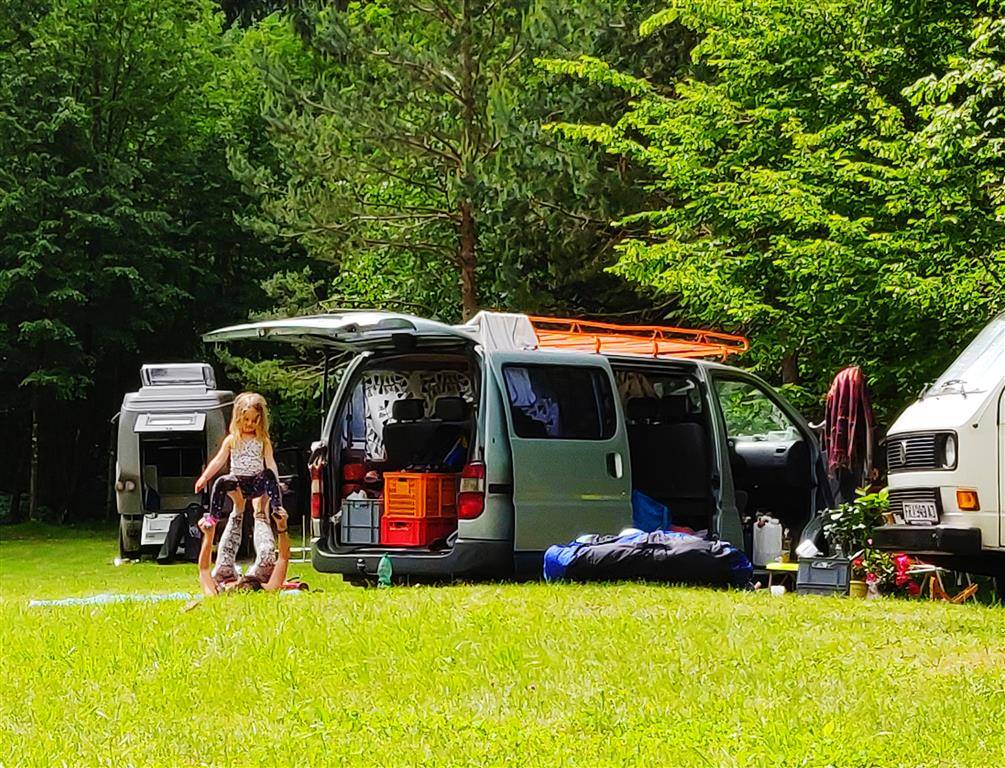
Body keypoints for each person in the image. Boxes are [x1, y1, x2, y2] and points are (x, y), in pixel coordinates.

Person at [194, 392, 286, 577]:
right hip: (237, 480)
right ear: (238, 418)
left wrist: (275, 482)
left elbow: (270, 463)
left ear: (261, 420)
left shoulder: (263, 441)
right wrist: (204, 477)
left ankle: (277, 508)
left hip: (256, 481)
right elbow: (219, 461)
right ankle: (213, 516)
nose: (250, 424)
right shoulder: (232, 440)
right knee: (221, 482)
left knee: (268, 476)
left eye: (254, 420)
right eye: (246, 420)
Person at [196, 507, 293, 594]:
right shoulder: (267, 589)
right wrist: (282, 527)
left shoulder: (216, 592)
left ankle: (238, 508)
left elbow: (204, 569)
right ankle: (260, 512)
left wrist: (209, 535)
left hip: (224, 580)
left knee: (225, 563)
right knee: (267, 558)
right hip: (253, 582)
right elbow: (283, 558)